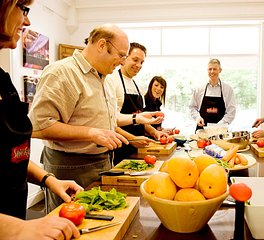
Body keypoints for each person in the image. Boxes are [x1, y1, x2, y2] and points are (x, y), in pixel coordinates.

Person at [29, 25, 159, 211]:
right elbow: (38, 127)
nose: (123, 62)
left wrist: (136, 120)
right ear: (101, 45)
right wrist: (90, 133)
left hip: (103, 161)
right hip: (70, 167)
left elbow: (108, 121)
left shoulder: (104, 77)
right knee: (71, 228)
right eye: (122, 55)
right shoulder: (61, 73)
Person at [0, 1, 83, 239]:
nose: (26, 21)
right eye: (22, 8)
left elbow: (11, 155)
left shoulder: (3, 81)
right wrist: (16, 229)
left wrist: (48, 179)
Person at [110, 42, 167, 165]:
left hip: (137, 149)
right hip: (119, 149)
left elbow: (139, 118)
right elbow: (110, 122)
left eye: (142, 62)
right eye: (135, 60)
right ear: (124, 58)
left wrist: (154, 132)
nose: (139, 65)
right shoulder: (112, 81)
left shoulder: (137, 87)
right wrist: (132, 139)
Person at [189, 58, 236, 131]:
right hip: (202, 130)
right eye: (209, 69)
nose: (212, 71)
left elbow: (231, 111)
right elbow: (192, 107)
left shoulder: (228, 89)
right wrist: (197, 117)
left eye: (214, 69)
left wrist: (220, 125)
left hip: (221, 130)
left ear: (220, 70)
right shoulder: (199, 89)